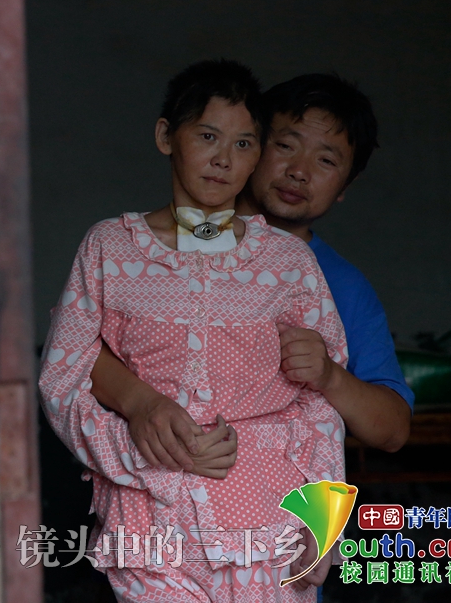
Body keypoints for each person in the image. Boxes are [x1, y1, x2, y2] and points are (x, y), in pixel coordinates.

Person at [89, 73, 414, 591]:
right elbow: (76, 355)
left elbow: (392, 430)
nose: (299, 171)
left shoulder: (344, 286)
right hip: (161, 530)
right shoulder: (145, 249)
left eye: (326, 160)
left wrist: (329, 375)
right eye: (284, 145)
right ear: (255, 147)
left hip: (273, 547)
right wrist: (139, 400)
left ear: (345, 187)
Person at [39, 60, 348, 602]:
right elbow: (62, 378)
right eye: (207, 136)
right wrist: (136, 452)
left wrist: (325, 518)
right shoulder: (109, 249)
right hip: (150, 525)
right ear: (166, 136)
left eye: (244, 144)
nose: (224, 159)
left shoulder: (288, 263)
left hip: (266, 525)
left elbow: (318, 403)